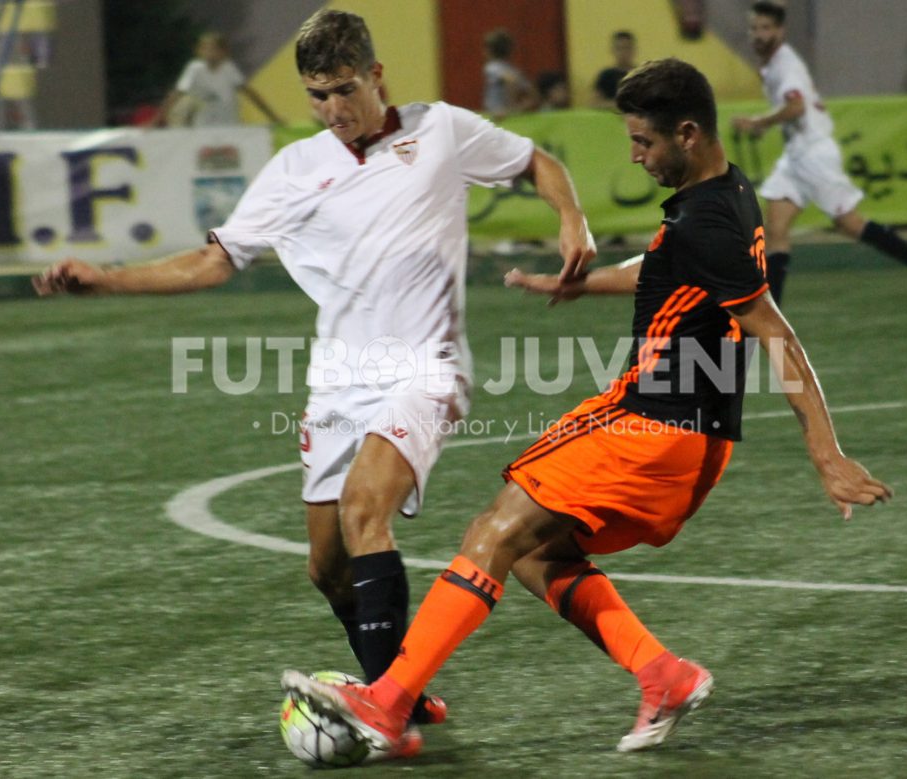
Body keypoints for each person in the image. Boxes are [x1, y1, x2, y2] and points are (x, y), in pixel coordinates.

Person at [282, 58, 891, 760]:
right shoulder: (721, 196)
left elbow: (775, 331)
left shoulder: (709, 221)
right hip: (678, 429)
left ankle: (386, 704)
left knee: (493, 533)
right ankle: (663, 674)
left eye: (644, 142)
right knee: (538, 552)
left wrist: (827, 453)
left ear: (687, 134)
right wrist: (583, 285)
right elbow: (666, 265)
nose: (635, 156)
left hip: (656, 424)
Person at [34, 8, 595, 755]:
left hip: (427, 368)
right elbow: (213, 260)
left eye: (342, 90)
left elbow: (535, 161)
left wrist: (573, 220)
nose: (332, 110)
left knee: (368, 511)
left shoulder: (441, 131)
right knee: (328, 568)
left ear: (376, 76)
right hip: (338, 380)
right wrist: (105, 281)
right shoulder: (295, 170)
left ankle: (384, 714)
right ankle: (400, 687)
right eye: (316, 96)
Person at [731, 1, 907, 308]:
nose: (759, 34)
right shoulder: (773, 63)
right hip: (796, 156)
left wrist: (758, 122)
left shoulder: (784, 64)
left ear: (781, 31)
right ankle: (771, 314)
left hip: (815, 154)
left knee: (850, 223)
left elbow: (796, 106)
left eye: (766, 28)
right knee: (774, 229)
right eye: (754, 28)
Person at [153, 32, 284, 127]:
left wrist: (273, 117)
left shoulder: (229, 69)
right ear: (199, 51)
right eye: (206, 49)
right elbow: (176, 94)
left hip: (229, 124)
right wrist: (156, 120)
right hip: (203, 125)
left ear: (224, 52)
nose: (210, 53)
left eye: (214, 49)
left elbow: (250, 93)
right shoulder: (194, 69)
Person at [482, 28, 537, 120]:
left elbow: (511, 81)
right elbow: (532, 92)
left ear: (490, 50)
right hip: (505, 114)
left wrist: (510, 107)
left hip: (498, 114)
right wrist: (520, 107)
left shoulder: (492, 67)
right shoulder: (513, 70)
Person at [591, 30, 636, 110]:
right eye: (619, 48)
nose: (623, 52)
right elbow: (594, 103)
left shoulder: (642, 74)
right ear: (612, 50)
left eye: (627, 48)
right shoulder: (606, 75)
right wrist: (618, 105)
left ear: (633, 50)